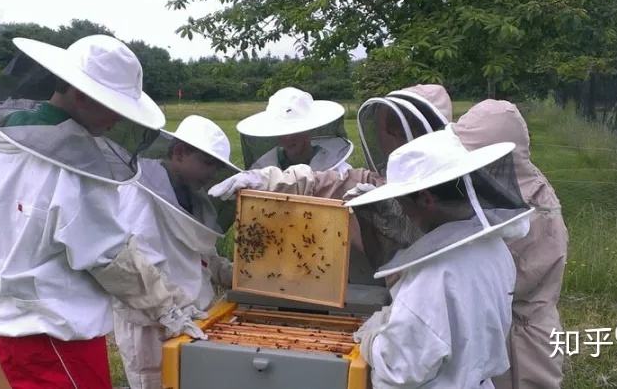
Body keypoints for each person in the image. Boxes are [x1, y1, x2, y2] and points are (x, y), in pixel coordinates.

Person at [0, 35, 203, 389]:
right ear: (81, 94)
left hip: (19, 324)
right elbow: (110, 258)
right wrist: (168, 307)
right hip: (51, 331)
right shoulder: (78, 170)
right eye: (112, 106)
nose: (117, 119)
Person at [345, 128, 534, 389]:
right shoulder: (494, 247)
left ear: (426, 199)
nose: (402, 212)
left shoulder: (435, 274)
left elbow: (401, 366)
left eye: (401, 202)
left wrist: (373, 338)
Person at [210, 85, 453, 277]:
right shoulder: (368, 179)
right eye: (388, 131)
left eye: (396, 132)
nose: (386, 138)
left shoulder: (456, 190)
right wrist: (264, 179)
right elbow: (322, 182)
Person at [113, 115, 240, 389]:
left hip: (194, 318)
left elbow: (199, 253)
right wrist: (171, 310)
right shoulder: (138, 193)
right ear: (179, 153)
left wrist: (229, 272)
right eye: (207, 163)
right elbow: (132, 266)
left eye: (216, 167)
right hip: (152, 324)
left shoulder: (192, 195)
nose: (212, 174)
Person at [454, 100, 568, 389]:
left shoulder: (529, 210)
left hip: (522, 342)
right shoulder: (516, 187)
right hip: (508, 327)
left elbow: (503, 279)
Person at [237, 87, 354, 173]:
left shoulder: (337, 167)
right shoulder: (263, 167)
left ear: (307, 130)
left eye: (294, 130)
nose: (288, 138)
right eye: (282, 131)